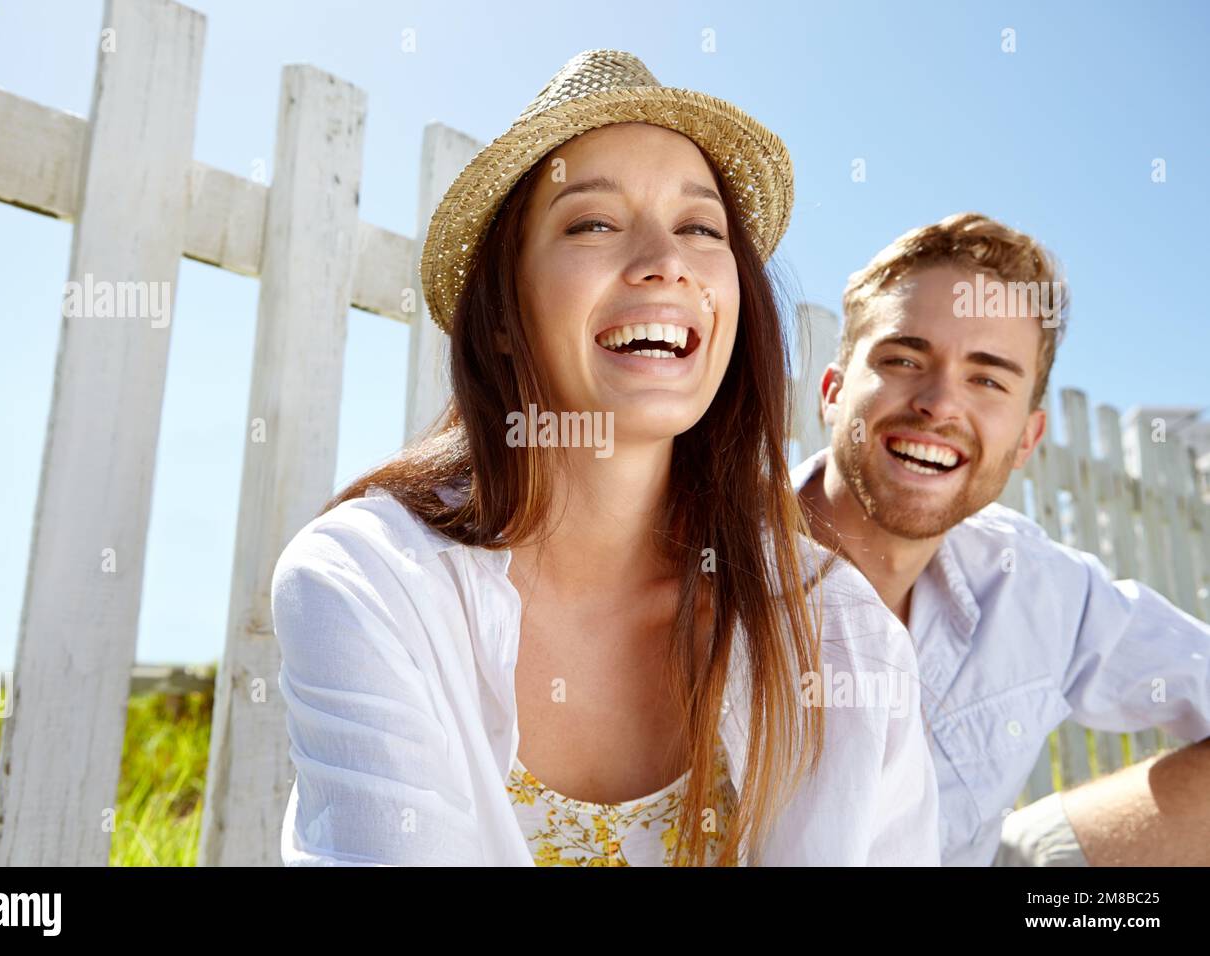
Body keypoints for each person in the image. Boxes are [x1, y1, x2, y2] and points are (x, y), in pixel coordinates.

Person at [271, 48, 938, 866]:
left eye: (700, 227)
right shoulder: (367, 581)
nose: (667, 260)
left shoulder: (843, 630)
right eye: (592, 222)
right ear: (504, 317)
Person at [793, 212, 1210, 866]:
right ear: (833, 391)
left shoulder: (1032, 582)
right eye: (904, 359)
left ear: (1027, 440)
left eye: (987, 379)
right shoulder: (703, 563)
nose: (939, 403)